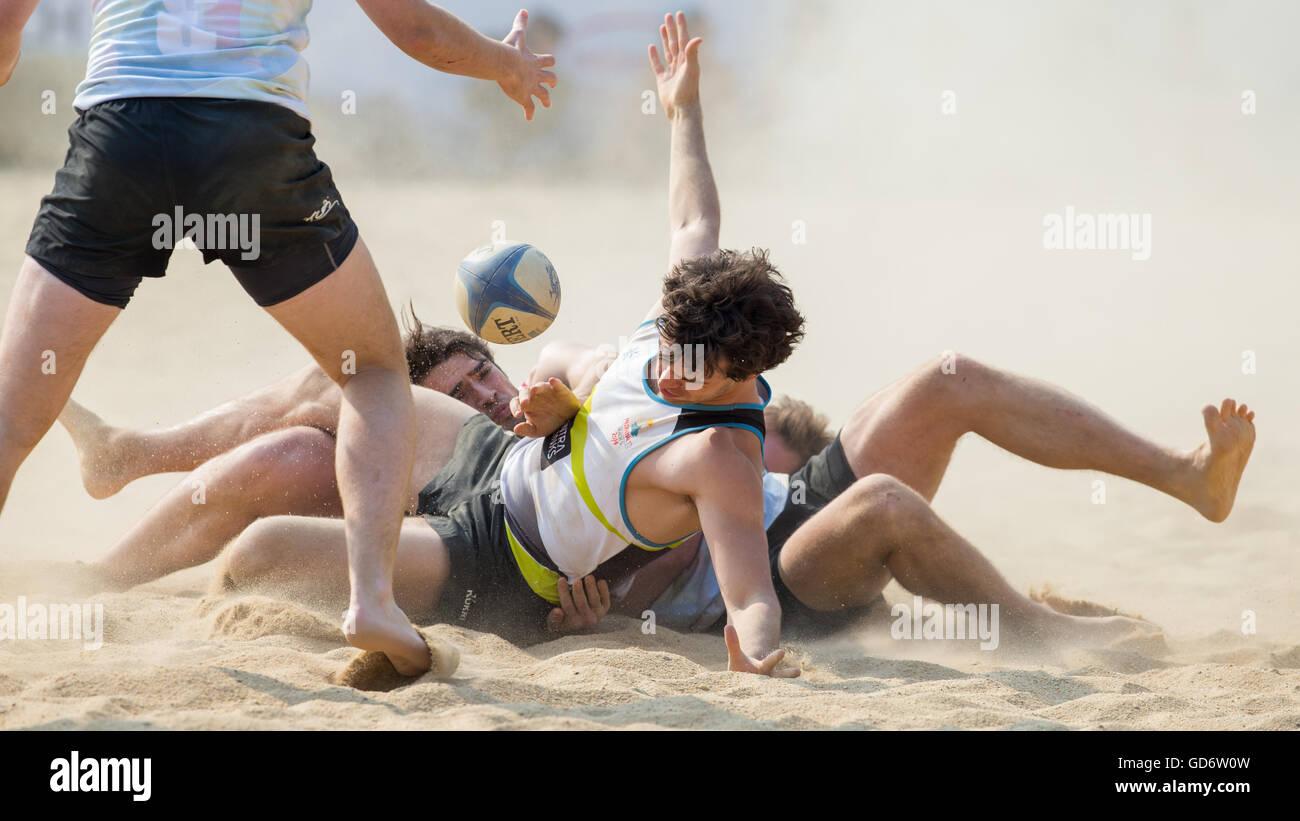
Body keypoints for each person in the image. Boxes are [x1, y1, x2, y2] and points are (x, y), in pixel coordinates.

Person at [72, 12, 805, 678]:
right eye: (666, 351)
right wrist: (683, 110)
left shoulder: (723, 460)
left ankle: (360, 606)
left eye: (687, 374)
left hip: (501, 557)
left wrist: (761, 649)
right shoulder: (680, 322)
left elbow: (750, 592)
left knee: (260, 553)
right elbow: (693, 217)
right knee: (344, 376)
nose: (664, 374)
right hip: (500, 453)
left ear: (742, 373)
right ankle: (125, 474)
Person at [0, 0, 557, 675]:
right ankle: (372, 598)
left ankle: (125, 463)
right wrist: (506, 64)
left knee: (13, 407)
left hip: (120, 134)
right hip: (253, 143)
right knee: (374, 373)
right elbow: (417, 30)